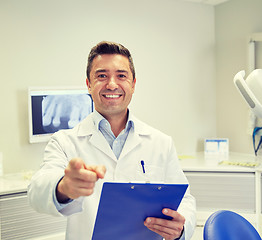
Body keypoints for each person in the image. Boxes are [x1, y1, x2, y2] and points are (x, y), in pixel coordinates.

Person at [28, 41, 196, 240]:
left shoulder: (161, 142)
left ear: (133, 84)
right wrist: (63, 187)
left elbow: (184, 199)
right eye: (101, 76)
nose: (112, 84)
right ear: (89, 85)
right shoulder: (64, 141)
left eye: (121, 76)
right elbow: (36, 191)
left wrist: (180, 228)